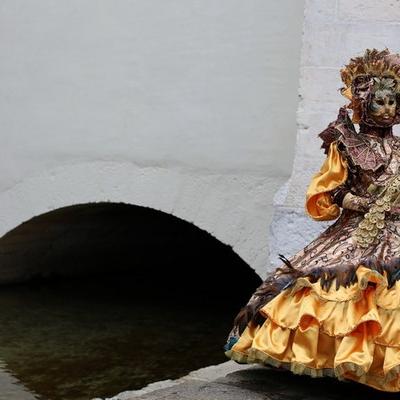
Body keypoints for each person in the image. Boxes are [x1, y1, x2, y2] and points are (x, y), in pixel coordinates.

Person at [224, 48, 400, 392]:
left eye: (393, 102)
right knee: (340, 292)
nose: (388, 109)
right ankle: (341, 358)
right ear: (363, 105)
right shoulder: (347, 142)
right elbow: (329, 192)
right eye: (380, 103)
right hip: (357, 231)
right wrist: (361, 203)